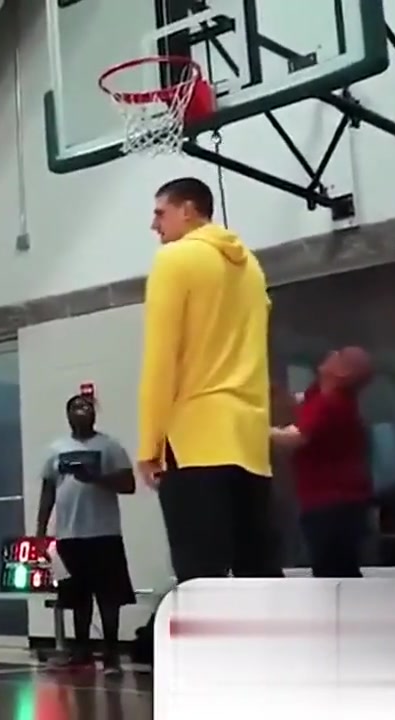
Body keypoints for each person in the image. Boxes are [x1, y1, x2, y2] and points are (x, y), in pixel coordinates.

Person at [138, 177, 281, 582]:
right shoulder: (251, 267)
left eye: (160, 213)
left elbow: (161, 358)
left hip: (195, 439)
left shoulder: (174, 260)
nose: (154, 225)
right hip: (249, 442)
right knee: (258, 572)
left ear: (188, 210)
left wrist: (149, 446)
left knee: (201, 577)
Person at [35, 394, 137, 675]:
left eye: (86, 406)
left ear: (94, 413)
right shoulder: (56, 449)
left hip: (104, 533)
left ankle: (112, 655)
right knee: (77, 598)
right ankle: (81, 653)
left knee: (109, 597)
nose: (81, 411)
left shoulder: (110, 446)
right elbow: (48, 491)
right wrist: (41, 532)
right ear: (67, 414)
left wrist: (96, 478)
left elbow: (129, 484)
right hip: (70, 535)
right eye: (76, 407)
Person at [271, 347, 375, 577]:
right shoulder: (319, 395)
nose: (332, 353)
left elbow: (296, 437)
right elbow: (297, 403)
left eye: (339, 355)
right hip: (334, 504)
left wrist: (255, 429)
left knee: (334, 572)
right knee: (335, 568)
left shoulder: (333, 404)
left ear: (343, 373)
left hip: (333, 507)